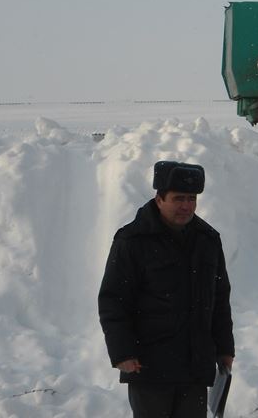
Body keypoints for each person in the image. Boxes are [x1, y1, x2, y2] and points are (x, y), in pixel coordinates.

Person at [99, 161, 234, 418]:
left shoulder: (208, 240)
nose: (186, 206)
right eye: (178, 198)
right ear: (159, 199)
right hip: (148, 367)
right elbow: (113, 300)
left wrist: (225, 349)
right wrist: (123, 352)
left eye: (192, 199)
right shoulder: (132, 241)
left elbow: (219, 299)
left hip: (195, 367)